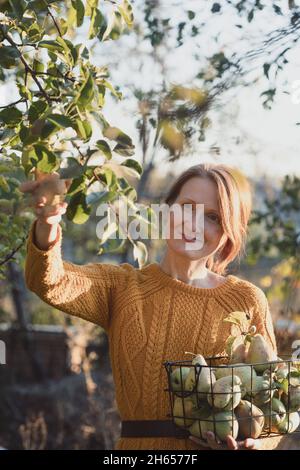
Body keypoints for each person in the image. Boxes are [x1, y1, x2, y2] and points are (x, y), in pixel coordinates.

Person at [21, 162, 283, 450]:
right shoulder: (123, 287)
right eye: (187, 207)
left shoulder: (246, 300)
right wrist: (49, 220)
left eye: (212, 217)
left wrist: (258, 446)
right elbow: (49, 280)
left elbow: (273, 405)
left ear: (228, 233)